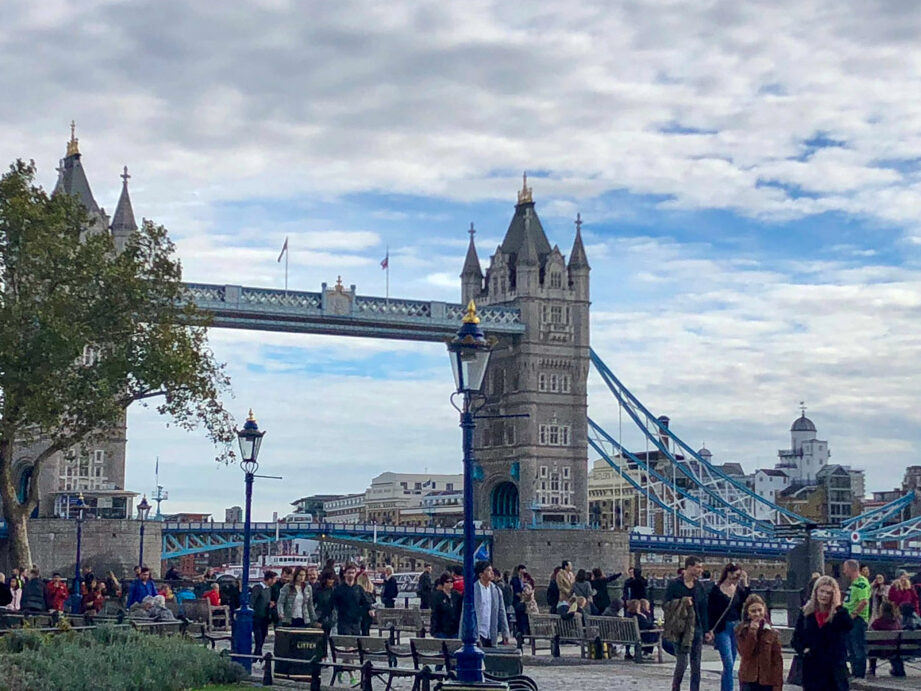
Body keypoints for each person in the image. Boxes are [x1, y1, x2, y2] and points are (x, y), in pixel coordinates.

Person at [791, 575, 852, 691]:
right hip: (813, 668)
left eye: (828, 593)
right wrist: (804, 650)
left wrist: (838, 606)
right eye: (821, 591)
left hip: (834, 670)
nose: (824, 595)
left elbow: (848, 625)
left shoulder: (838, 614)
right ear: (816, 591)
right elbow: (796, 639)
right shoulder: (806, 613)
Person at [664, 556, 711, 691]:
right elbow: (665, 605)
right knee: (682, 662)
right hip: (680, 628)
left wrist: (707, 630)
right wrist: (682, 601)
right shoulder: (674, 584)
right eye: (698, 567)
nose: (700, 570)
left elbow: (703, 609)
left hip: (696, 628)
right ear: (689, 567)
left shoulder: (699, 586)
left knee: (696, 664)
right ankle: (676, 687)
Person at [709, 563, 750, 691]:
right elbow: (710, 611)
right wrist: (710, 630)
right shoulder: (716, 590)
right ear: (728, 573)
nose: (736, 578)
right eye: (735, 575)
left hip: (736, 627)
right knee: (728, 663)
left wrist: (745, 582)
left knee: (732, 662)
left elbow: (749, 601)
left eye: (739, 575)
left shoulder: (738, 589)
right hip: (722, 629)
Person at [735, 594, 782, 691]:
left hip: (767, 679)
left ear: (764, 611)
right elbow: (745, 653)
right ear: (748, 613)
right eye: (753, 611)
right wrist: (752, 632)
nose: (757, 614)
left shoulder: (772, 633)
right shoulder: (741, 631)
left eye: (759, 610)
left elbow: (777, 661)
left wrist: (778, 686)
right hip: (748, 678)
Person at [464, 561, 510, 647]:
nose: (492, 573)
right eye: (488, 570)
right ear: (481, 574)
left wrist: (505, 632)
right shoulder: (472, 590)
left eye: (491, 570)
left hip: (491, 632)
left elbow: (502, 612)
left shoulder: (496, 590)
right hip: (477, 633)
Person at [842, 558, 870, 679]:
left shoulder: (861, 582)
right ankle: (854, 672)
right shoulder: (854, 583)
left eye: (845, 568)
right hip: (849, 620)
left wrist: (854, 614)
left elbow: (864, 601)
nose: (844, 572)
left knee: (857, 647)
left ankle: (859, 674)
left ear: (850, 569)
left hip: (857, 620)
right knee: (851, 648)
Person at [333, 563, 373, 636]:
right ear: (345, 574)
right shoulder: (338, 589)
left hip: (356, 621)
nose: (351, 575)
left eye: (352, 573)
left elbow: (366, 601)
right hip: (343, 621)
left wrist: (370, 609)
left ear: (355, 574)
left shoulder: (359, 589)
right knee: (348, 643)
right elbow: (332, 604)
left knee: (355, 643)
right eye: (349, 573)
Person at [869, 600, 905, 677]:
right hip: (894, 650)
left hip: (879, 651)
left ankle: (872, 669)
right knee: (895, 647)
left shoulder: (877, 622)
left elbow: (871, 633)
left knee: (872, 648)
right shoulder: (896, 622)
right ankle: (898, 670)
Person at [251, 571, 277, 655]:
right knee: (258, 637)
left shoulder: (268, 589)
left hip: (265, 616)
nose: (274, 582)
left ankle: (258, 653)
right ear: (269, 579)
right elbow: (252, 600)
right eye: (274, 579)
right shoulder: (258, 588)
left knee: (263, 636)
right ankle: (257, 654)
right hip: (257, 616)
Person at [430, 572, 459, 638]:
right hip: (441, 630)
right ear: (443, 583)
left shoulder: (456, 595)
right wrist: (434, 630)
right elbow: (435, 613)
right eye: (447, 582)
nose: (450, 583)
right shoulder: (437, 596)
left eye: (451, 581)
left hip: (454, 629)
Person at [315, 570, 338, 636]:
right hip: (320, 616)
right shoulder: (319, 591)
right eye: (329, 579)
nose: (331, 581)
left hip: (333, 618)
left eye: (332, 579)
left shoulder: (335, 590)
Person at [356, 571, 377, 635]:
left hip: (362, 612)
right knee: (366, 630)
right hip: (370, 612)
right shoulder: (371, 589)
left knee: (362, 629)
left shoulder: (359, 590)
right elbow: (373, 600)